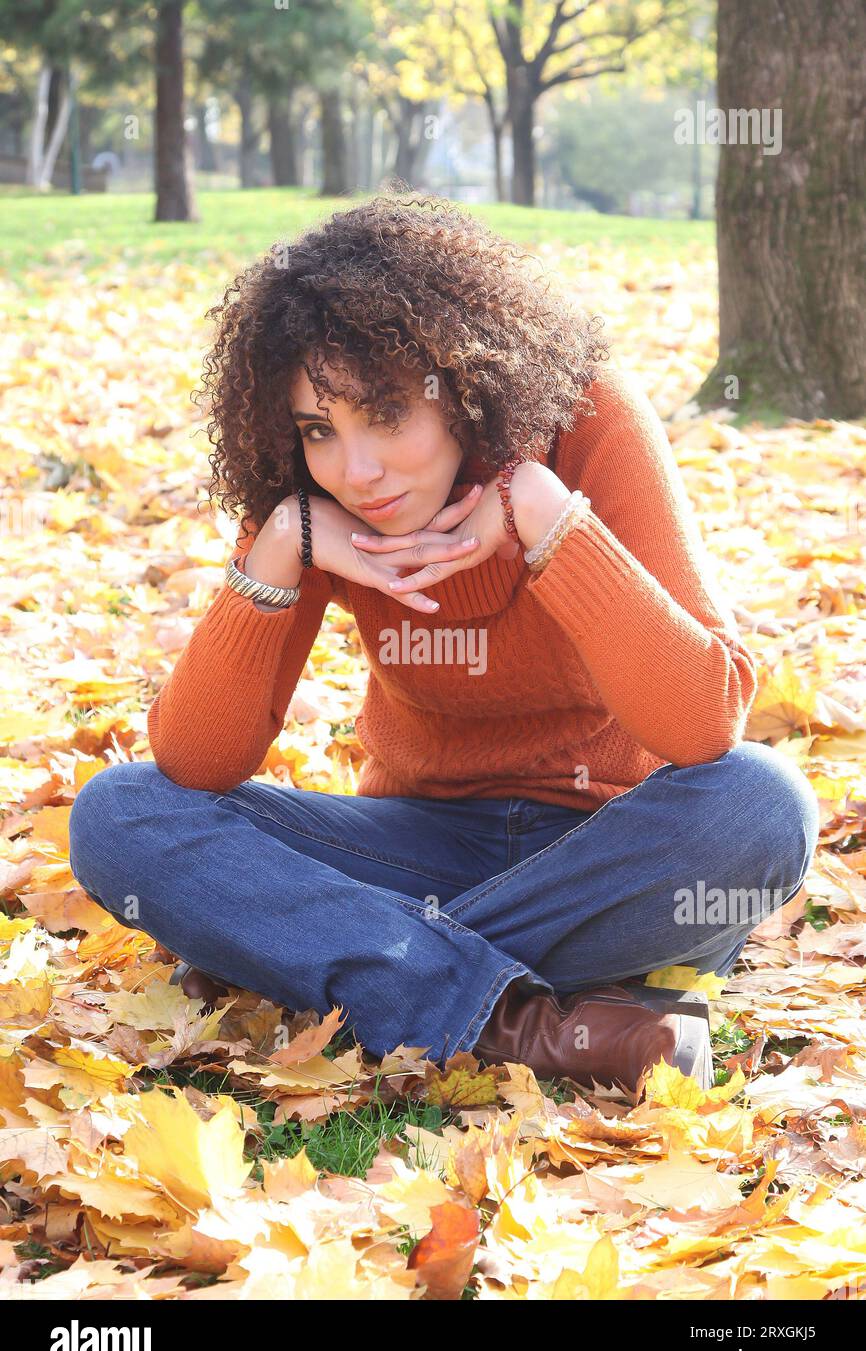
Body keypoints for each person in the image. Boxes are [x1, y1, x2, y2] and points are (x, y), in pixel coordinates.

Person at [68, 194, 819, 1099]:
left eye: (386, 414)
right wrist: (279, 545)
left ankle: (323, 958)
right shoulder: (320, 501)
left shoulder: (588, 421)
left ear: (466, 384)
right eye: (319, 430)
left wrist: (548, 519)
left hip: (614, 853)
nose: (358, 471)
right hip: (413, 843)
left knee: (763, 806)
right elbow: (196, 758)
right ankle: (526, 1022)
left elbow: (702, 722)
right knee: (121, 815)